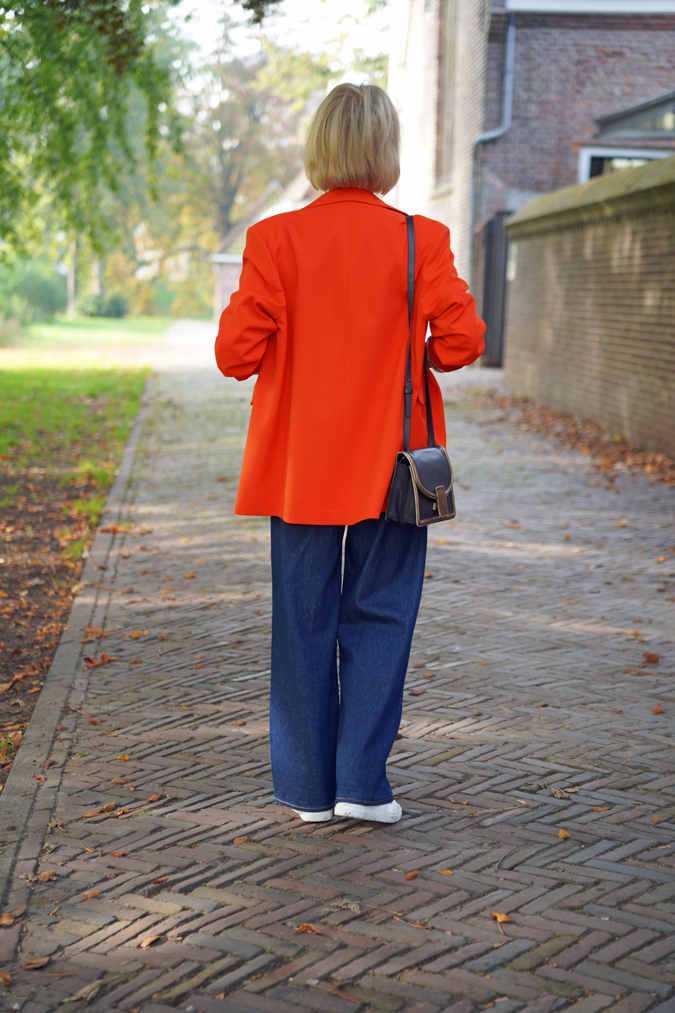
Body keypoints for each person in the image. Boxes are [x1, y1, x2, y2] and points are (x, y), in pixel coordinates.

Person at [215, 83, 485, 824]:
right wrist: (408, 352)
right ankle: (362, 784)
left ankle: (307, 790)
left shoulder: (274, 240)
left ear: (319, 148)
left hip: (300, 466)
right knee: (382, 615)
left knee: (301, 617)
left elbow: (235, 354)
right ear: (385, 151)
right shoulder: (418, 238)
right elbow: (462, 342)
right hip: (392, 467)